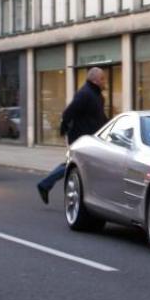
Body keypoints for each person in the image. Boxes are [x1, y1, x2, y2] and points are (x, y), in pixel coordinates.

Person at [36, 67, 108, 204]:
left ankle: (84, 197)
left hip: (91, 138)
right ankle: (46, 185)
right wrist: (64, 127)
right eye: (102, 78)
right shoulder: (85, 94)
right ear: (94, 80)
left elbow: (100, 117)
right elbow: (68, 112)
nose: (104, 81)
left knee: (80, 166)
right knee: (73, 165)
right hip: (81, 138)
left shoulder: (97, 96)